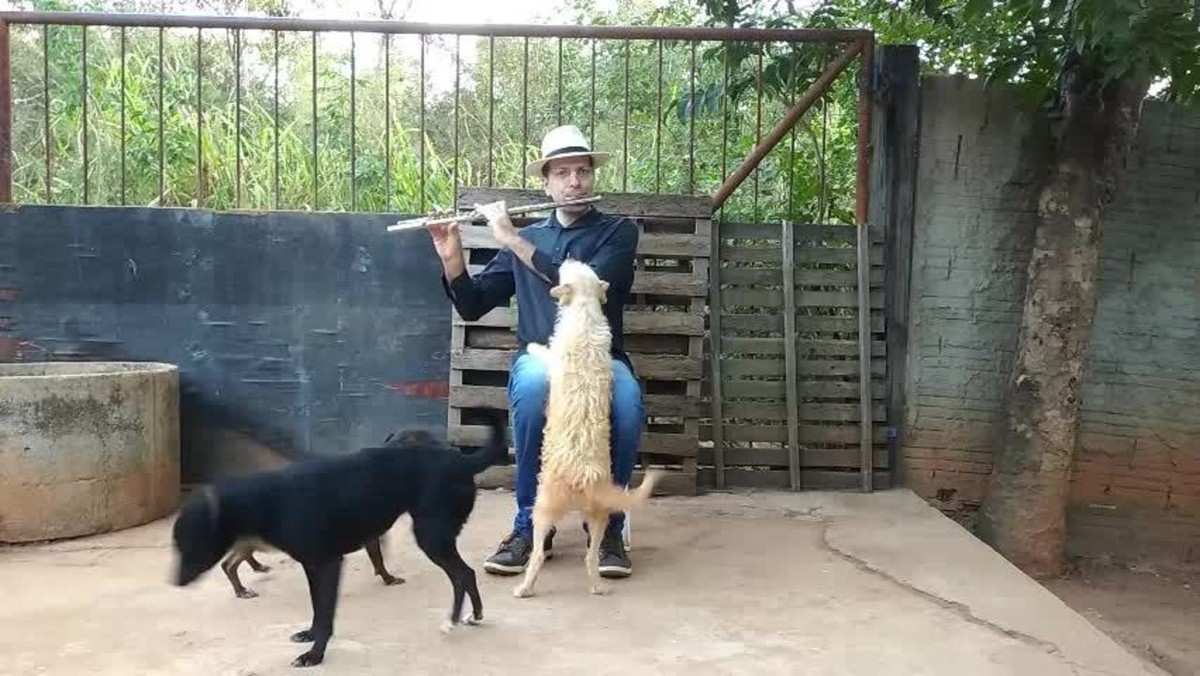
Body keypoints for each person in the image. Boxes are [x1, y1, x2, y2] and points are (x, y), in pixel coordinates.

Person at [427, 124, 644, 579]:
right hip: (541, 355)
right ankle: (530, 527)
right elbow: (472, 303)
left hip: (598, 358)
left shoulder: (618, 234)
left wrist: (509, 237)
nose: (574, 182)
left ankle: (608, 525)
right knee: (530, 389)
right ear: (545, 182)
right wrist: (452, 259)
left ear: (592, 177)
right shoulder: (530, 237)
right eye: (562, 173)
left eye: (582, 170)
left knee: (626, 404)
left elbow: (579, 286)